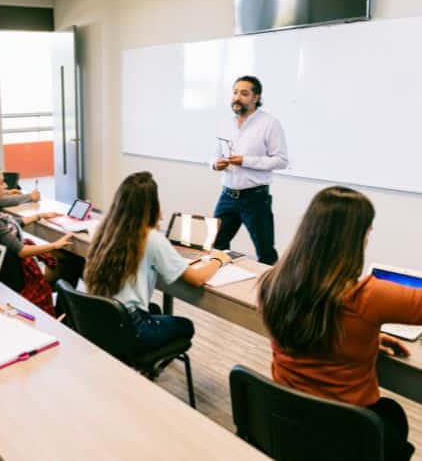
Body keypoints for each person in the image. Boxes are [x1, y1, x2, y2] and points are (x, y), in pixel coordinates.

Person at [259, 186, 421, 461]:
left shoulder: (273, 283)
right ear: (355, 239)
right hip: (344, 435)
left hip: (287, 421)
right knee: (392, 416)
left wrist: (364, 337)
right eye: (367, 231)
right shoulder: (368, 296)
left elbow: (316, 329)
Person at [84, 171, 231, 353]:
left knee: (154, 309)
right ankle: (144, 360)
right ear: (152, 206)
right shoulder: (151, 238)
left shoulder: (106, 231)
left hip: (101, 319)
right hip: (131, 328)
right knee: (185, 326)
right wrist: (218, 260)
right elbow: (197, 279)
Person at [0, 163, 71, 316]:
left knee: (58, 257)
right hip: (18, 277)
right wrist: (54, 245)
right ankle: (61, 313)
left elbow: (6, 226)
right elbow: (22, 251)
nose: (6, 186)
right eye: (1, 182)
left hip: (2, 273)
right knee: (70, 261)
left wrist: (39, 216)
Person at [211, 75, 288, 265]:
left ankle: (270, 285)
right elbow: (214, 155)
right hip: (227, 196)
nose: (237, 97)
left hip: (255, 198)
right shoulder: (225, 123)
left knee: (265, 252)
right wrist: (215, 164)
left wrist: (245, 161)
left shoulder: (269, 123)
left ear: (256, 97)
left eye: (244, 93)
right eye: (235, 92)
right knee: (215, 246)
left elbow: (281, 161)